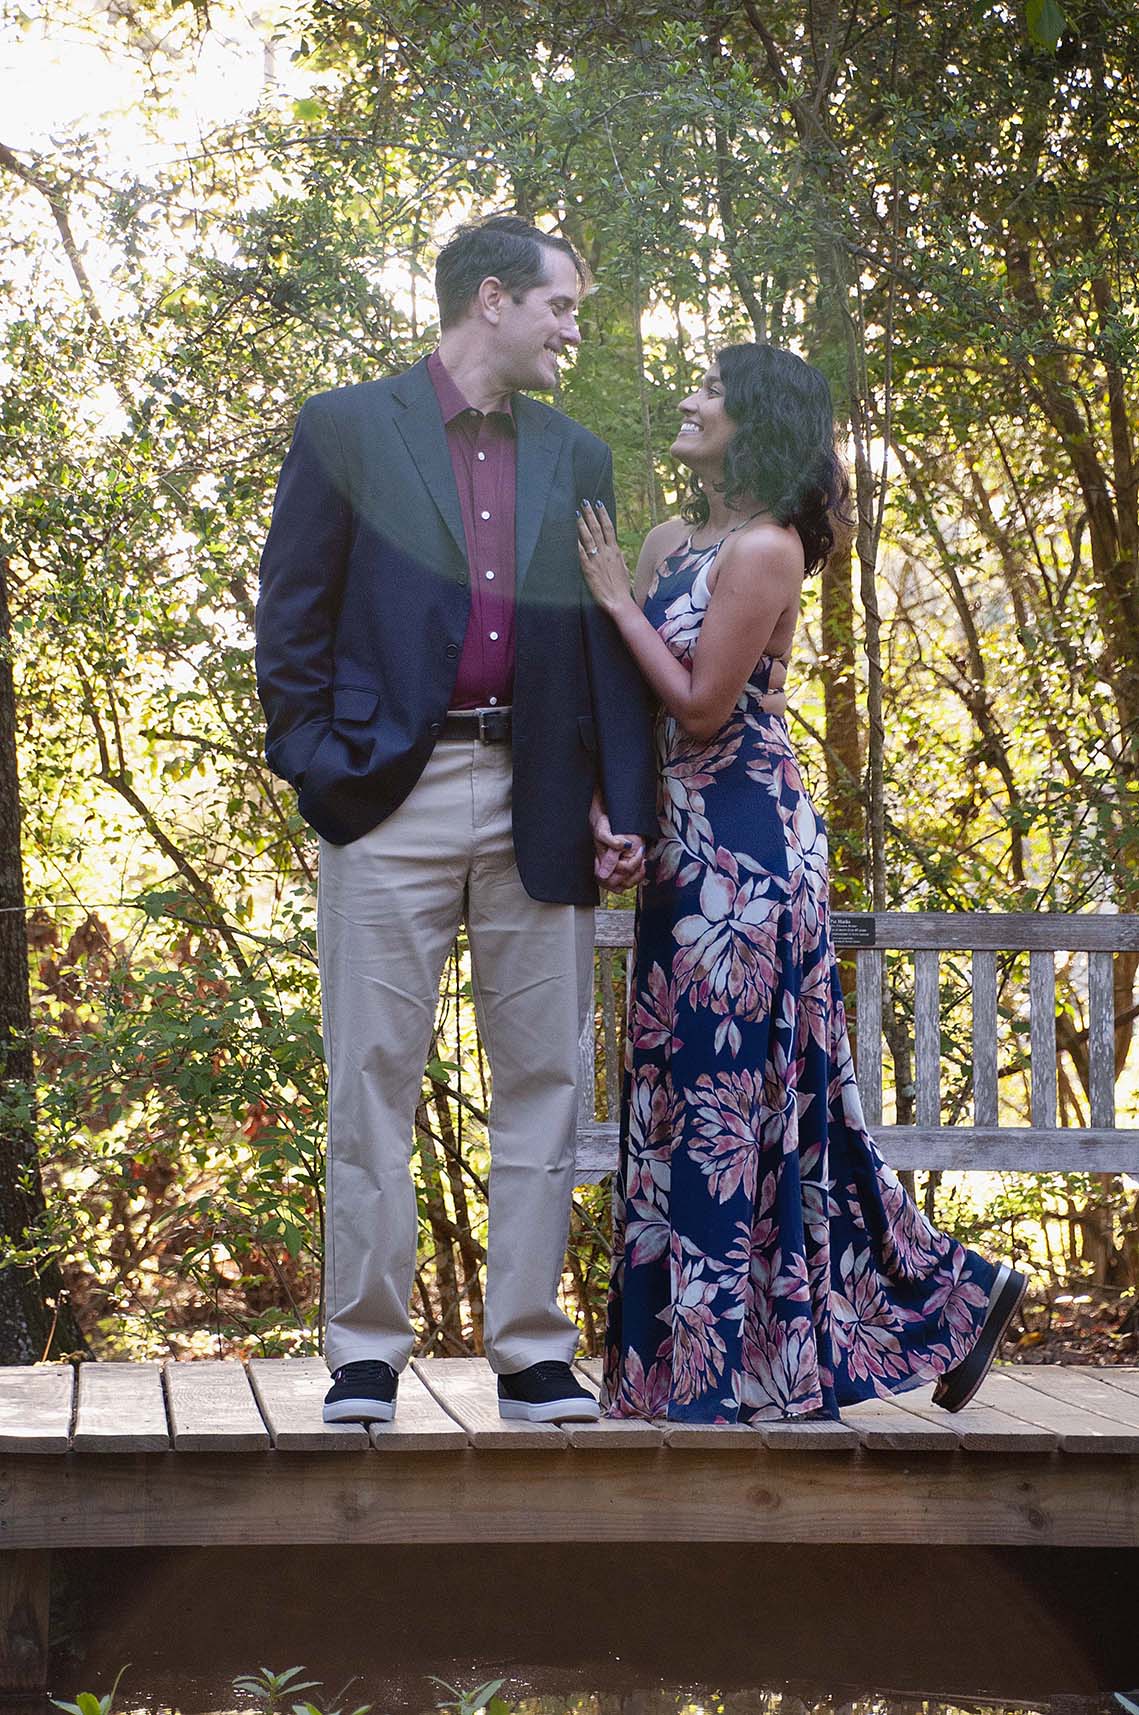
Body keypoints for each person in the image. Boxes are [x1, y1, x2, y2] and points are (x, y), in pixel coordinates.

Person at [576, 343, 1026, 1423]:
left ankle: (735, 1369)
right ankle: (946, 1295)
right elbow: (632, 705)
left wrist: (612, 600)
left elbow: (696, 704)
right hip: (678, 850)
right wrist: (610, 812)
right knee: (683, 1096)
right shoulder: (666, 539)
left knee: (743, 1100)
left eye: (710, 391)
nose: (687, 401)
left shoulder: (769, 549)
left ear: (756, 420)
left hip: (749, 857)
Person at [256, 215, 657, 1426]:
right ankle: (364, 1354)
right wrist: (321, 769)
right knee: (371, 1073)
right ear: (493, 300)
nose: (573, 331)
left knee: (542, 1077)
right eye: (560, 308)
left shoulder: (575, 452)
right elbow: (291, 617)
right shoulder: (346, 428)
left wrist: (612, 797)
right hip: (387, 795)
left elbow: (593, 633)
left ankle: (531, 1349)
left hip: (535, 794)